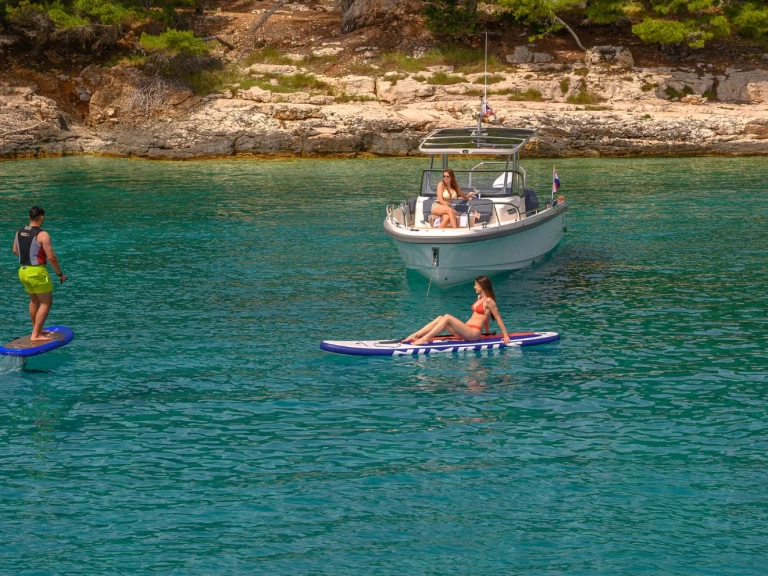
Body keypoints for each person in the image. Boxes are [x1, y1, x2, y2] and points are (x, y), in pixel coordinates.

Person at [12, 206, 68, 342]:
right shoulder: (43, 235)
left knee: (34, 301)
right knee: (46, 303)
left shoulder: (20, 231)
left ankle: (36, 329)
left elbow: (15, 250)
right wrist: (60, 274)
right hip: (37, 272)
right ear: (41, 217)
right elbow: (51, 257)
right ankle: (36, 334)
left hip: (23, 271)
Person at [404, 275, 510, 345]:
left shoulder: (489, 301)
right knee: (441, 318)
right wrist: (487, 333)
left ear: (482, 286)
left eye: (476, 285)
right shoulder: (479, 298)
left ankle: (426, 338)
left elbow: (498, 318)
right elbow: (484, 318)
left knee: (447, 317)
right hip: (466, 330)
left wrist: (505, 336)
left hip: (473, 333)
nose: (474, 287)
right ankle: (415, 335)